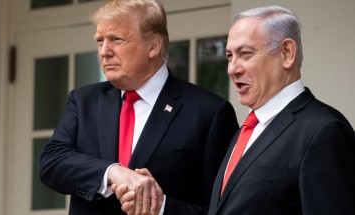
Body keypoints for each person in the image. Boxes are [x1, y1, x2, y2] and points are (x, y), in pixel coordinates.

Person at [39, 0, 239, 215]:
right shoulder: (83, 100)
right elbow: (51, 163)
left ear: (153, 46)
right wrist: (112, 173)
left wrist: (161, 208)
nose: (104, 51)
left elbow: (223, 209)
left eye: (116, 39)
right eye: (99, 41)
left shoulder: (209, 112)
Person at [207, 5, 355, 215]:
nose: (232, 68)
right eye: (230, 56)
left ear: (286, 53)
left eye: (245, 54)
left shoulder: (324, 131)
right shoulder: (246, 131)